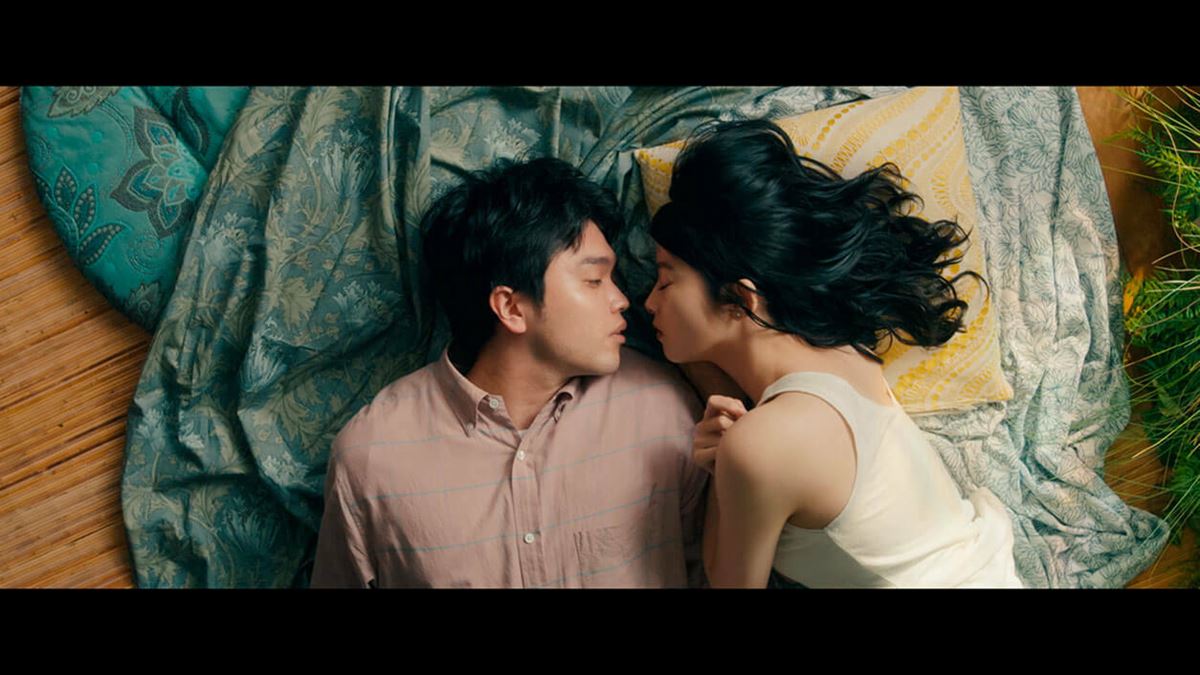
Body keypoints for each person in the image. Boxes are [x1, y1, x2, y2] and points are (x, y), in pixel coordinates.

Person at [643, 119, 1023, 588]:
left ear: (741, 299)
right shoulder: (846, 351)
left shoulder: (762, 445)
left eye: (666, 280)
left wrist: (724, 470)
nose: (648, 301)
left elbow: (728, 582)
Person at [311, 157, 712, 588]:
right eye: (595, 280)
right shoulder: (372, 457)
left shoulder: (664, 409)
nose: (622, 300)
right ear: (511, 307)